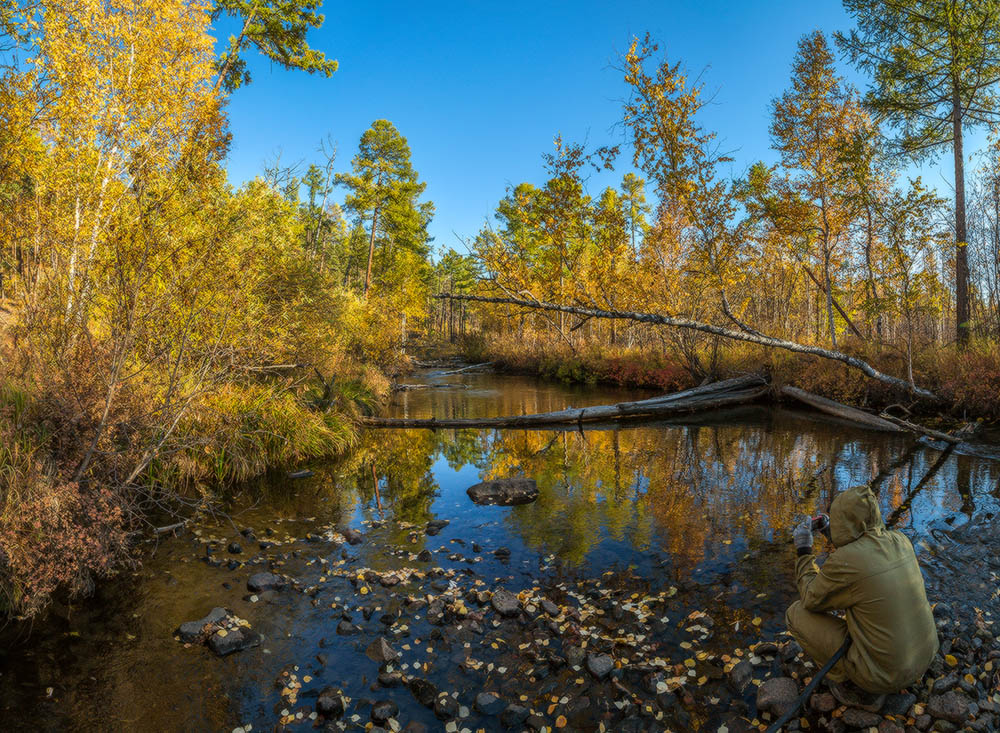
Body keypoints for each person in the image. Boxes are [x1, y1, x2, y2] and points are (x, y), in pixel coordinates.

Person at [786, 484, 938, 702]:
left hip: (884, 677)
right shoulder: (901, 540)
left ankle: (850, 684)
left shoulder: (846, 562)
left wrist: (803, 551)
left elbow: (810, 599)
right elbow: (865, 554)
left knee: (796, 613)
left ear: (842, 522)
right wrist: (832, 534)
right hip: (925, 656)